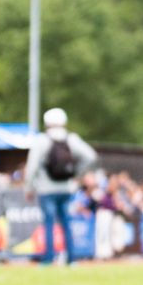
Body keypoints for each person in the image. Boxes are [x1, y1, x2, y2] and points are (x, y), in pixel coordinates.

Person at [29, 108, 96, 265]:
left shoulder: (42, 140)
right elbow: (91, 156)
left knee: (49, 224)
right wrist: (77, 174)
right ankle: (71, 259)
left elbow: (32, 166)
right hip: (66, 188)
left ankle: (48, 259)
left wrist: (29, 187)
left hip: (46, 189)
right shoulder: (71, 139)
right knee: (67, 223)